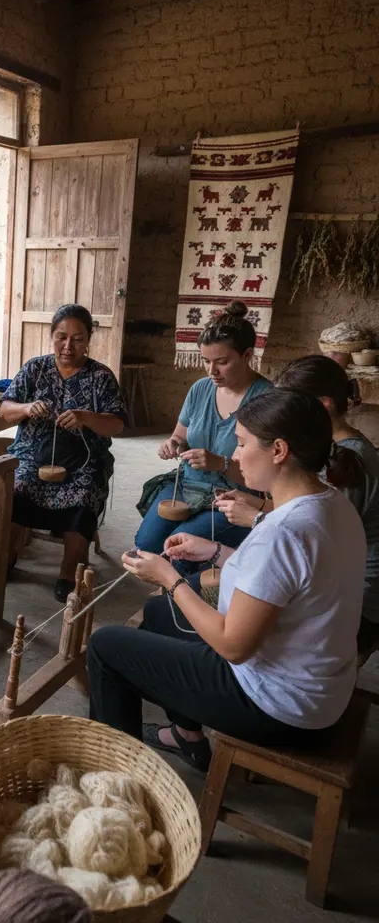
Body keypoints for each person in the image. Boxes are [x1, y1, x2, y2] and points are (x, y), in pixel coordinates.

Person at [88, 388, 366, 771]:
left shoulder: (284, 531)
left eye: (241, 444)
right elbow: (289, 581)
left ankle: (115, 784)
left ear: (279, 450)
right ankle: (186, 735)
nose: (234, 456)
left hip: (277, 706)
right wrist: (214, 552)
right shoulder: (332, 504)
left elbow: (234, 647)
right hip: (319, 688)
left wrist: (170, 578)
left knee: (106, 647)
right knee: (157, 613)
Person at [216, 355, 379, 657]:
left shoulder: (351, 462)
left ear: (324, 405)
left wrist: (254, 517)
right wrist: (256, 503)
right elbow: (304, 512)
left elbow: (316, 534)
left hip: (359, 594)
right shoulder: (333, 452)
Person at [0, 304, 127, 602]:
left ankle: (69, 570)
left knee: (83, 496)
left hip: (84, 461)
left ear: (89, 339)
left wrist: (85, 417)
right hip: (33, 455)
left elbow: (117, 425)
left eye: (78, 338)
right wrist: (27, 408)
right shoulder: (35, 368)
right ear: (51, 336)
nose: (68, 346)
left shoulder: (101, 377)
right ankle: (6, 555)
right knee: (19, 488)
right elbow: (6, 410)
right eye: (61, 337)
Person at [135, 301, 271, 568]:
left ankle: (181, 597)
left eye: (222, 362)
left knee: (177, 548)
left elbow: (266, 479)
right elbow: (180, 435)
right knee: (146, 544)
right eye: (206, 361)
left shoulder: (266, 399)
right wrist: (173, 443)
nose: (212, 371)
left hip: (232, 497)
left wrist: (220, 463)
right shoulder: (200, 389)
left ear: (246, 355)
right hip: (189, 485)